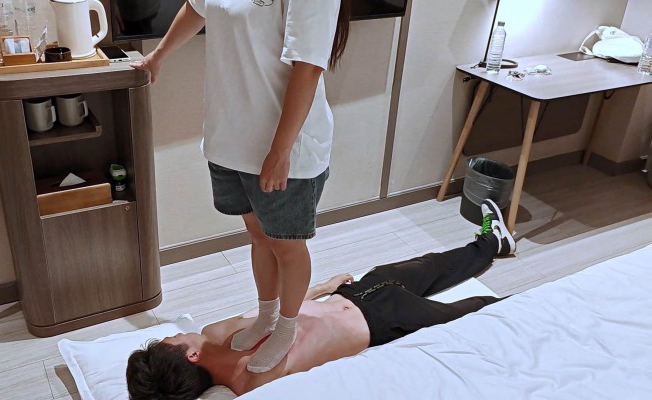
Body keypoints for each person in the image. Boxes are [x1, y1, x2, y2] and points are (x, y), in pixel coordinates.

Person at [130, 0, 352, 373]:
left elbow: (309, 66)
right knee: (259, 235)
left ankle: (287, 326)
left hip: (282, 145)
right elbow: (197, 7)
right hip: (228, 138)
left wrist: (281, 150)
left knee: (287, 245)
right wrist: (158, 56)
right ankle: (266, 315)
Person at [126, 200, 517, 399]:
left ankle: (492, 243)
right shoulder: (253, 383)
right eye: (172, 340)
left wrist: (322, 288)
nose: (176, 334)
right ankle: (528, 305)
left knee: (431, 265)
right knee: (474, 312)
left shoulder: (215, 333)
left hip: (356, 291)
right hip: (384, 320)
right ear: (191, 356)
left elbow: (271, 309)